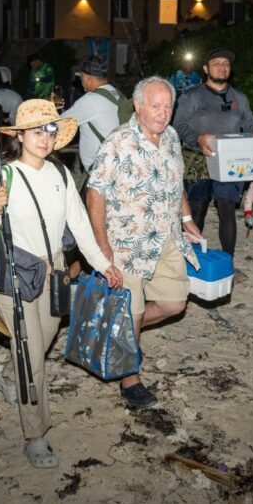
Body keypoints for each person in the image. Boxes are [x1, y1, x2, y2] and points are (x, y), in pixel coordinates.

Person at [0, 99, 124, 469]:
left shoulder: (60, 176)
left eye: (50, 130)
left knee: (41, 341)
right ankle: (35, 435)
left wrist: (104, 264)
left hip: (54, 269)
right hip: (13, 273)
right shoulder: (3, 176)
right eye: (37, 131)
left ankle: (8, 377)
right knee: (32, 355)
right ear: (20, 136)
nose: (45, 137)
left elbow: (79, 225)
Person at [88, 76, 204, 409]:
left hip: (167, 237)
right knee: (133, 310)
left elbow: (176, 181)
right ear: (138, 106)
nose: (162, 113)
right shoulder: (118, 142)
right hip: (127, 243)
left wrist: (186, 219)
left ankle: (122, 333)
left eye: (168, 106)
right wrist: (101, 246)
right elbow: (95, 193)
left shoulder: (170, 137)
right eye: (155, 106)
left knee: (174, 303)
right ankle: (130, 378)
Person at [173, 49, 253, 257]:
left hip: (230, 160)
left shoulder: (240, 97)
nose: (222, 67)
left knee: (227, 209)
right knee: (197, 210)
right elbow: (178, 124)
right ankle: (192, 260)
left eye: (226, 64)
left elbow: (250, 123)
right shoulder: (192, 96)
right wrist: (198, 138)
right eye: (217, 63)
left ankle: (227, 261)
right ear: (205, 69)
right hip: (198, 158)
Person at [60, 57, 124, 173]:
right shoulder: (116, 93)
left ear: (88, 79)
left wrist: (49, 107)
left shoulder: (90, 101)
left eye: (81, 78)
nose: (81, 81)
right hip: (120, 161)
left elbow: (59, 124)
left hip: (101, 170)